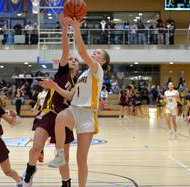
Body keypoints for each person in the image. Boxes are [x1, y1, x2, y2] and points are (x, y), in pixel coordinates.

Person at [40, 17, 110, 187]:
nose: (95, 53)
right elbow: (70, 95)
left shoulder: (97, 70)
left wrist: (76, 28)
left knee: (81, 159)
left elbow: (82, 52)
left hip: (87, 115)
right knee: (60, 118)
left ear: (103, 61)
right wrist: (53, 85)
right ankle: (60, 155)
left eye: (98, 53)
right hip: (75, 109)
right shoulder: (83, 75)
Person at [21, 16, 79, 187]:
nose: (73, 60)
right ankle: (30, 171)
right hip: (48, 114)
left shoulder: (79, 82)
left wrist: (53, 86)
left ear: (78, 66)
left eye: (76, 60)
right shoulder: (63, 73)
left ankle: (66, 183)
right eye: (71, 59)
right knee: (35, 149)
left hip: (64, 118)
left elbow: (69, 97)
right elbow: (66, 51)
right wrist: (64, 29)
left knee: (64, 158)